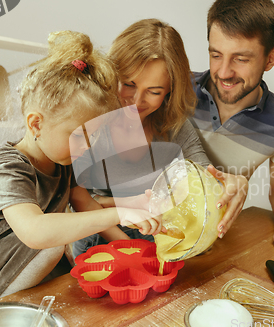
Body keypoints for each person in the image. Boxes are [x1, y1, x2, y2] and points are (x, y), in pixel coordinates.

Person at [0, 31, 162, 304]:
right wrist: (119, 212)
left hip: (25, 259)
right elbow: (36, 231)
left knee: (62, 245)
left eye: (94, 136)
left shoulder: (63, 159)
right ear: (36, 124)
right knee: (56, 237)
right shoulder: (7, 170)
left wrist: (131, 249)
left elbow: (85, 204)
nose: (88, 146)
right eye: (80, 135)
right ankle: (3, 306)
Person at [72, 18, 248, 258]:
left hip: (155, 241)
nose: (135, 101)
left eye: (154, 92)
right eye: (128, 84)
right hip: (100, 244)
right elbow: (81, 200)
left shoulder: (175, 126)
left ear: (169, 93)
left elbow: (204, 179)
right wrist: (132, 251)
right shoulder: (91, 124)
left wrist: (229, 186)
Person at [191, 0, 274, 251]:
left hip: (217, 236)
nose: (223, 72)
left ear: (270, 58)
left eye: (240, 59)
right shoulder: (175, 89)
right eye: (215, 55)